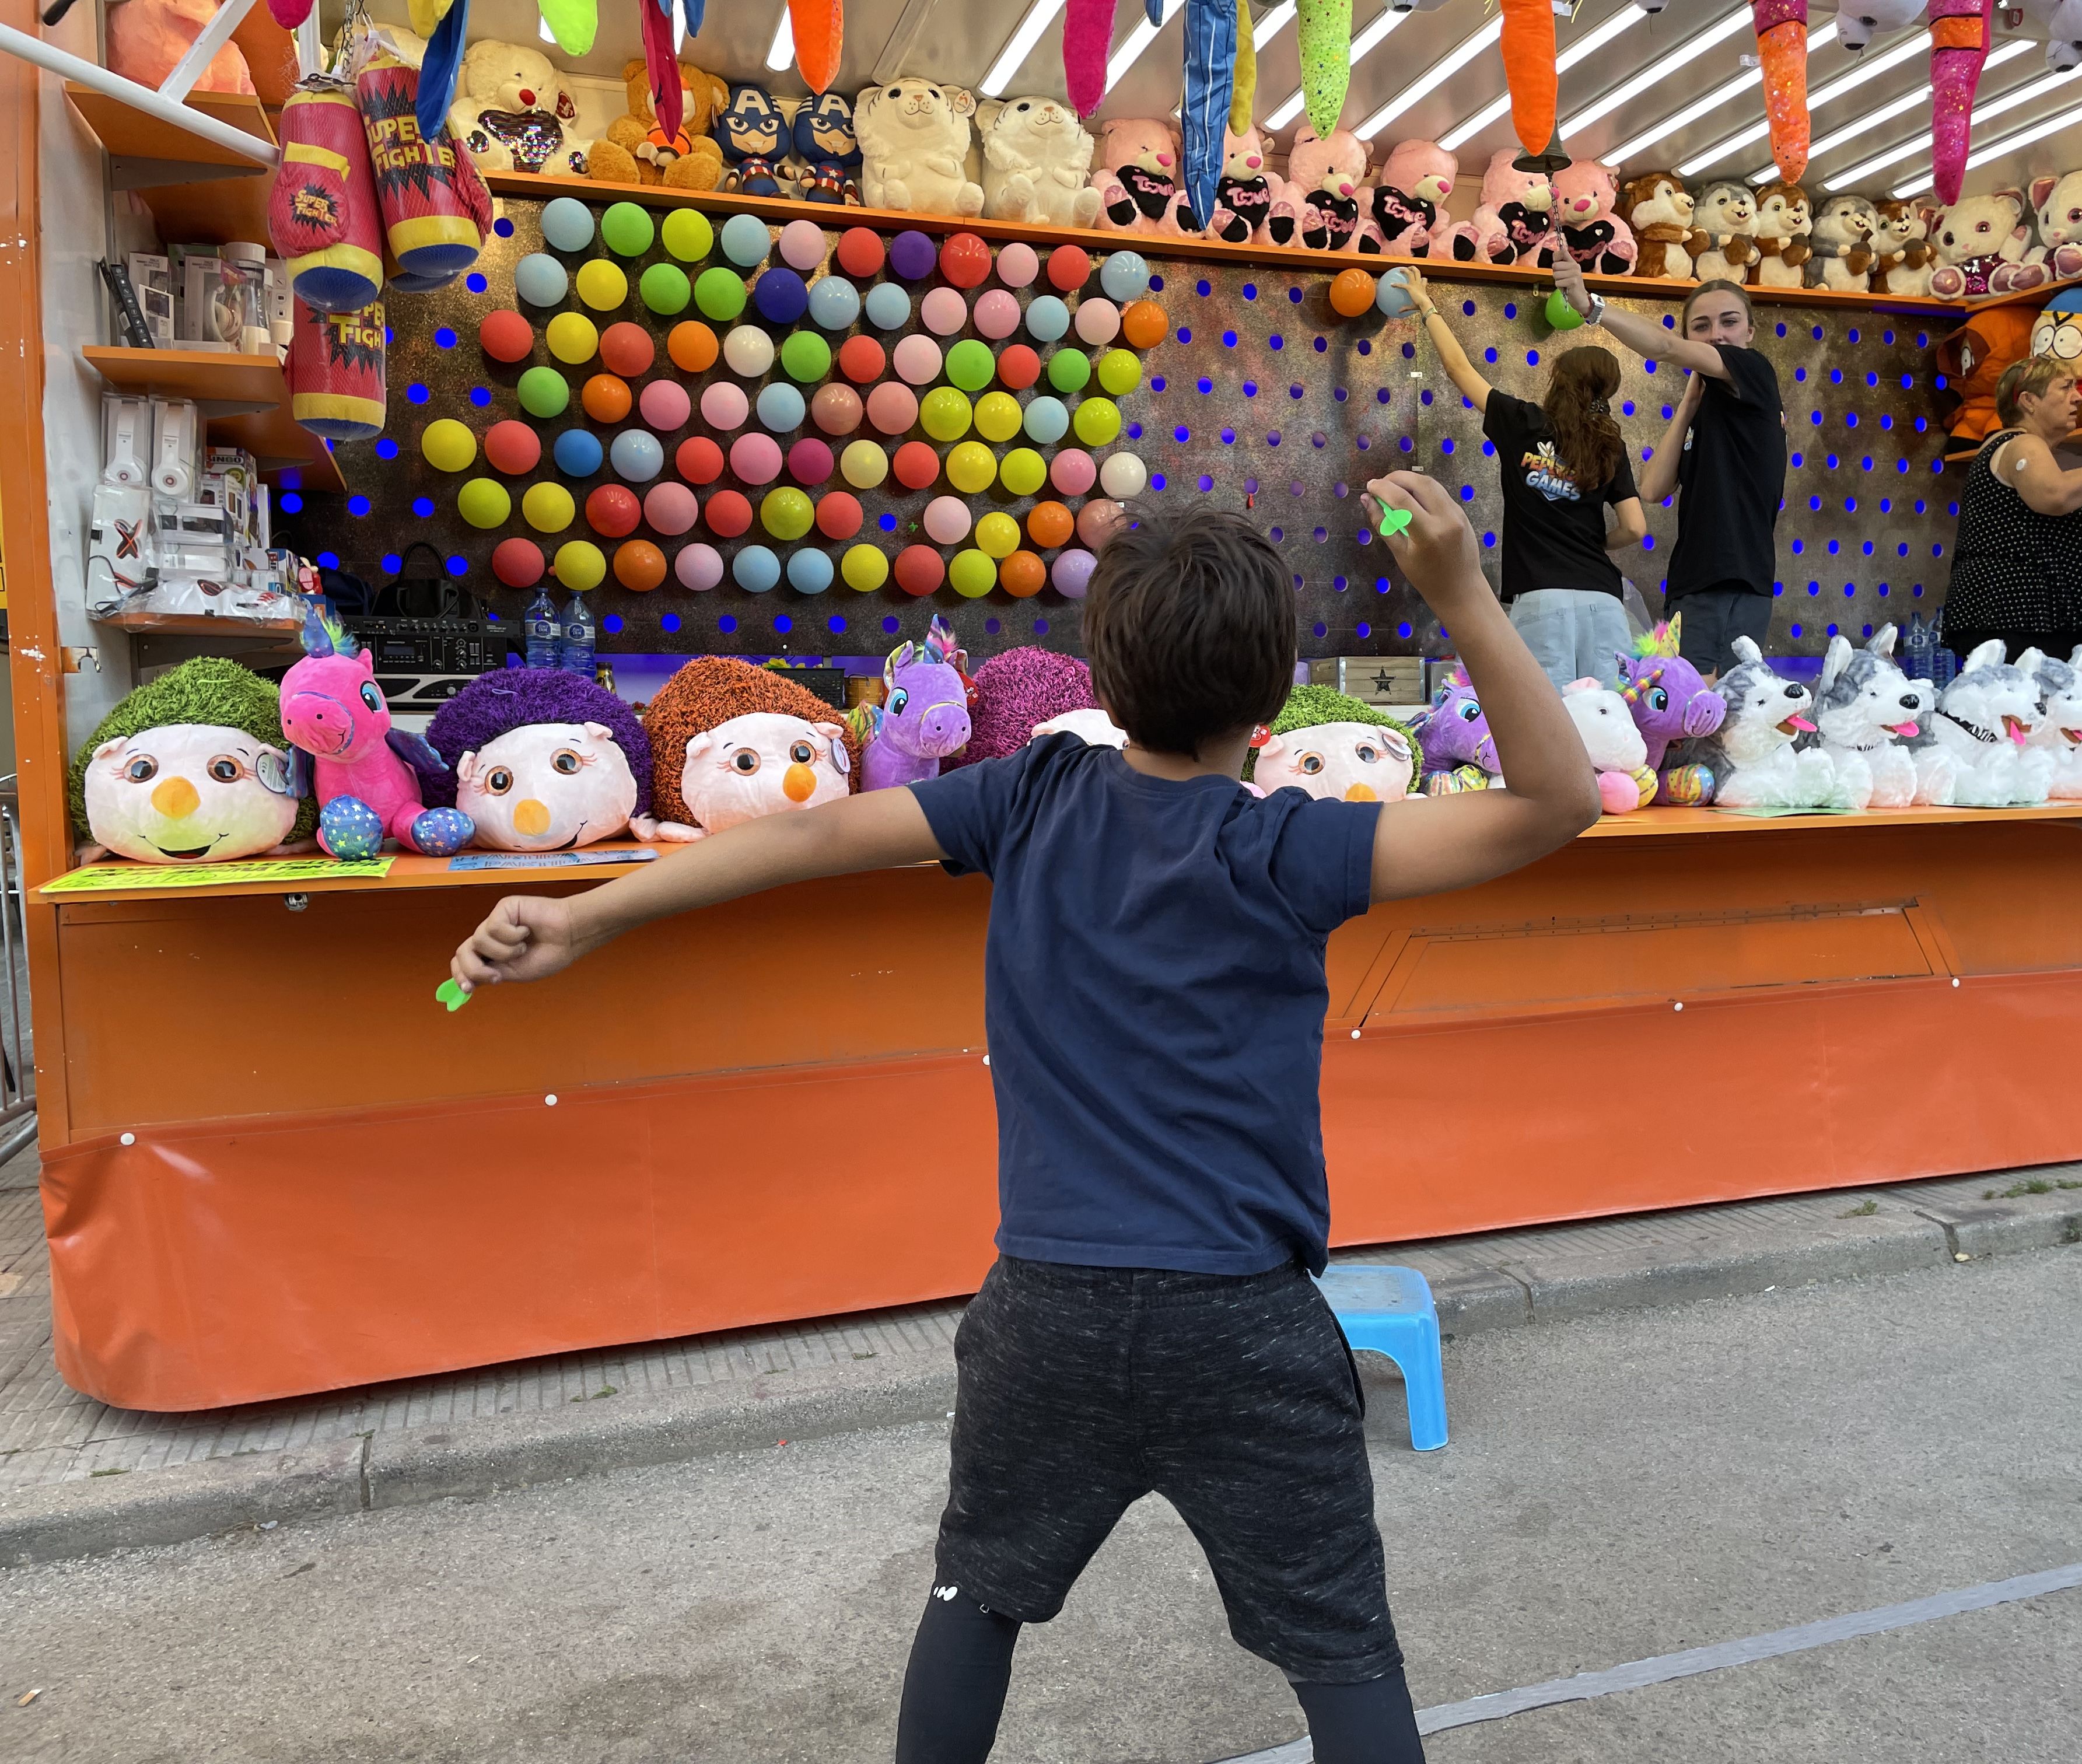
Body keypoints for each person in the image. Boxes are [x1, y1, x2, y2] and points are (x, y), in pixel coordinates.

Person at [447, 481, 1601, 1764]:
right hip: (1245, 1325)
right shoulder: (1294, 844)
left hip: (1044, 1313)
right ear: (1272, 701)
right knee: (1341, 1654)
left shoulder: (1035, 795)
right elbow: (1557, 802)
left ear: (1100, 668)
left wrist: (589, 913)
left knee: (975, 1599)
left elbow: (813, 834)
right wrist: (1459, 596)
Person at [1398, 265, 1649, 687]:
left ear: (1558, 382)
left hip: (1539, 597)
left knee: (1549, 723)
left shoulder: (1523, 422)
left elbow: (1460, 369)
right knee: (1613, 722)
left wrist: (1427, 306)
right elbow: (1636, 528)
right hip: (1604, 599)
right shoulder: (1611, 445)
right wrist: (1595, 545)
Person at [1552, 257, 1785, 680]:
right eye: (1702, 326)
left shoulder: (1756, 372)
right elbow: (1654, 488)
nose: (1717, 334)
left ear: (1750, 331)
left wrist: (1590, 306)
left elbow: (1663, 347)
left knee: (1711, 715)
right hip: (1691, 583)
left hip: (1731, 579)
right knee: (1685, 714)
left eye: (1729, 322)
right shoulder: (1706, 403)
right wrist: (1688, 405)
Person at [1941, 355, 2082, 664]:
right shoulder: (2022, 445)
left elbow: (2018, 529)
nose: (2079, 397)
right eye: (2065, 388)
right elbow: (2054, 496)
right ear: (2028, 401)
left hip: (2015, 616)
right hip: (2015, 616)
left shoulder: (2014, 447)